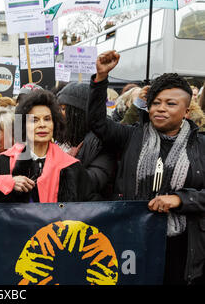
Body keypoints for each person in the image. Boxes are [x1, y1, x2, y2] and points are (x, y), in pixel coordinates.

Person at [88, 50, 205, 285]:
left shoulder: (201, 145)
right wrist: (100, 79)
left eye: (170, 104)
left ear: (187, 111)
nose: (160, 108)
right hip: (134, 241)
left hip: (183, 249)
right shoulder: (131, 136)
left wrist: (180, 200)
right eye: (155, 103)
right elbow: (97, 124)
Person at [0, 89, 94, 204]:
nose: (42, 125)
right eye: (34, 120)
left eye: (47, 119)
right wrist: (7, 184)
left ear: (55, 124)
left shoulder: (71, 166)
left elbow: (91, 208)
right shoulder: (3, 162)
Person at [56, 82, 116, 199]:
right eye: (58, 108)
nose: (58, 114)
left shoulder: (102, 143)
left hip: (87, 213)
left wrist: (67, 162)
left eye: (63, 109)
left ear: (79, 113)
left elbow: (92, 183)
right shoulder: (60, 137)